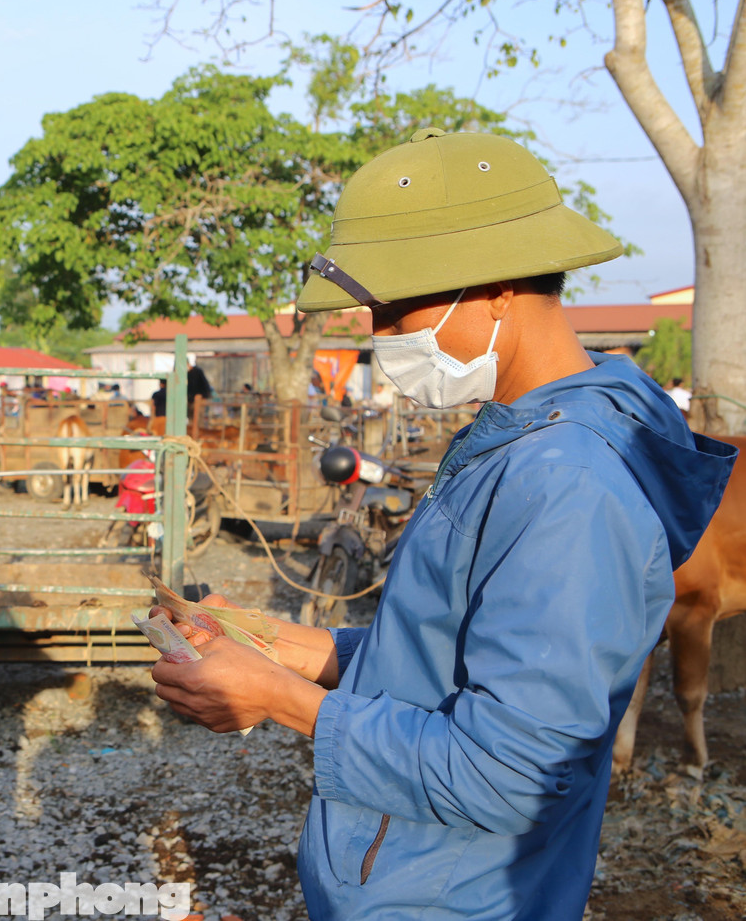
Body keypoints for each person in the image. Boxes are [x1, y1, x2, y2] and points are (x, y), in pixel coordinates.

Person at [150, 129, 737, 920]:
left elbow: (511, 770)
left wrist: (281, 701)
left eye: (397, 307)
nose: (380, 334)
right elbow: (445, 654)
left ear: (498, 287)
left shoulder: (568, 484)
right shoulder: (517, 437)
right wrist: (281, 644)